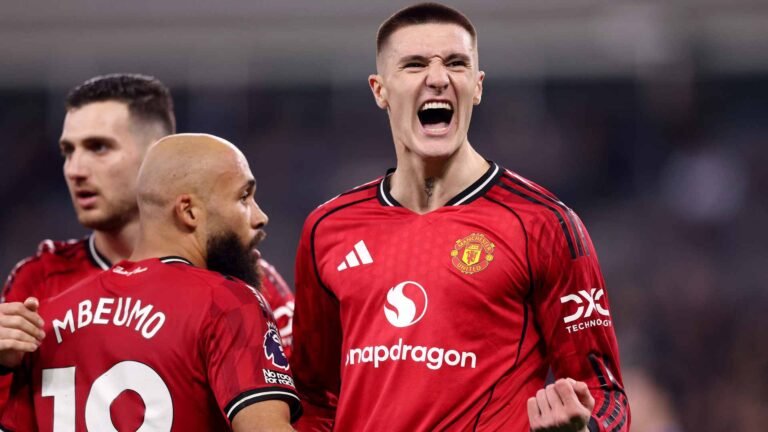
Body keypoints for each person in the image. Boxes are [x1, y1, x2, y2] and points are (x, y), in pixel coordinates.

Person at [290, 3, 629, 431]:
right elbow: (313, 398)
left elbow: (607, 395)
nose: (438, 78)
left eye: (455, 63)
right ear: (380, 90)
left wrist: (586, 430)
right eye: (414, 64)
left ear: (477, 86)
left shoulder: (544, 224)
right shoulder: (327, 229)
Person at [0, 74, 295, 408]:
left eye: (99, 147)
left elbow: (303, 408)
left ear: (158, 156)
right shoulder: (38, 282)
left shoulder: (251, 285)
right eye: (68, 151)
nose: (74, 169)